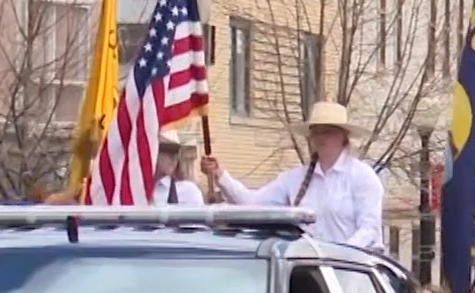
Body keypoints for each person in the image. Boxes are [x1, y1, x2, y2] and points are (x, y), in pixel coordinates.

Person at [202, 101, 385, 251]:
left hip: (352, 273)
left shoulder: (362, 177)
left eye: (328, 131)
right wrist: (219, 175)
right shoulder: (295, 178)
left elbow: (369, 230)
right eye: (316, 132)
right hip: (308, 272)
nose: (321, 137)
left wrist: (339, 255)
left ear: (343, 137)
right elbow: (253, 204)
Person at [152, 129, 207, 206]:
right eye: (167, 150)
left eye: (176, 152)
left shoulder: (188, 191)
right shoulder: (137, 191)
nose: (174, 158)